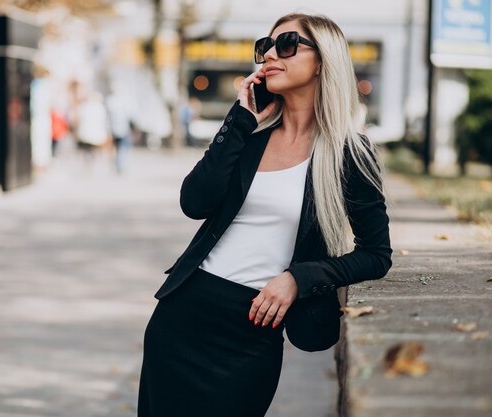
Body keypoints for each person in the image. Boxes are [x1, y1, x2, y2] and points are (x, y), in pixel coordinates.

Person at [137, 12, 392, 417]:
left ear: (323, 60)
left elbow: (377, 255)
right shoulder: (250, 133)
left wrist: (299, 279)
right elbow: (194, 202)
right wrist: (238, 121)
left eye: (287, 44)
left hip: (253, 331)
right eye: (265, 47)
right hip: (183, 316)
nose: (270, 54)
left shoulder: (349, 154)